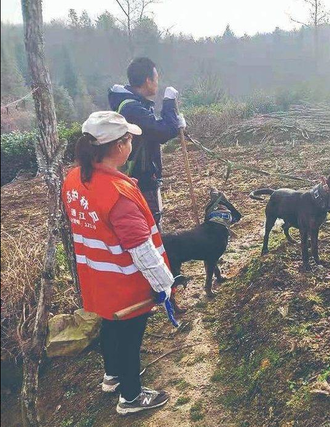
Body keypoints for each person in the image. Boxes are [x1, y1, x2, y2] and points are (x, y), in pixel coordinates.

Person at [62, 111, 177, 414]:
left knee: (109, 325)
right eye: (129, 139)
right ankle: (131, 397)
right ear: (119, 147)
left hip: (96, 277)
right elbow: (142, 250)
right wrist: (165, 285)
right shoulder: (118, 194)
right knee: (129, 338)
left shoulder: (74, 179)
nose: (131, 143)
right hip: (125, 283)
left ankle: (112, 375)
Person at [108, 57, 186, 228]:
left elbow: (155, 130)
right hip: (141, 179)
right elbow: (162, 132)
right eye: (156, 79)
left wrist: (174, 123)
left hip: (141, 176)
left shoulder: (134, 104)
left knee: (151, 221)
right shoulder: (132, 108)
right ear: (147, 80)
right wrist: (169, 104)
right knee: (150, 225)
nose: (157, 84)